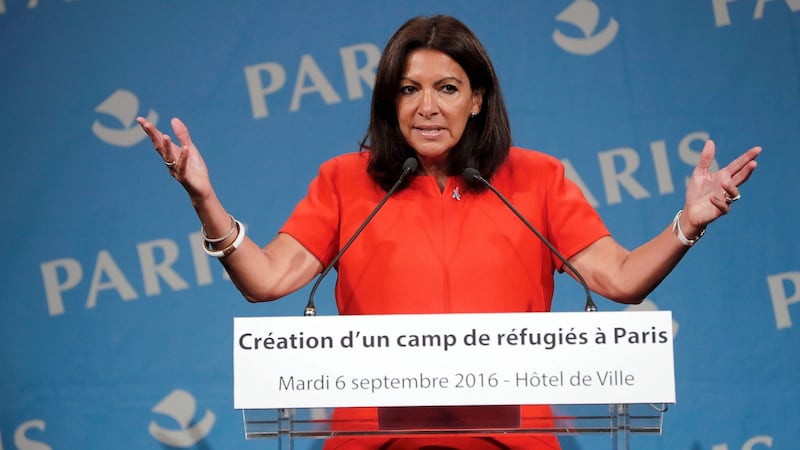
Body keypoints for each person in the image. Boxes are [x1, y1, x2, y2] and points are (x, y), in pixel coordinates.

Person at [137, 14, 760, 450]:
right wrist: (205, 198)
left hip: (510, 441)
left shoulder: (535, 179)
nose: (427, 106)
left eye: (446, 88)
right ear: (390, 100)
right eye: (408, 90)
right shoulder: (346, 181)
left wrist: (685, 226)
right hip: (374, 441)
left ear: (478, 99)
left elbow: (619, 278)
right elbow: (267, 278)